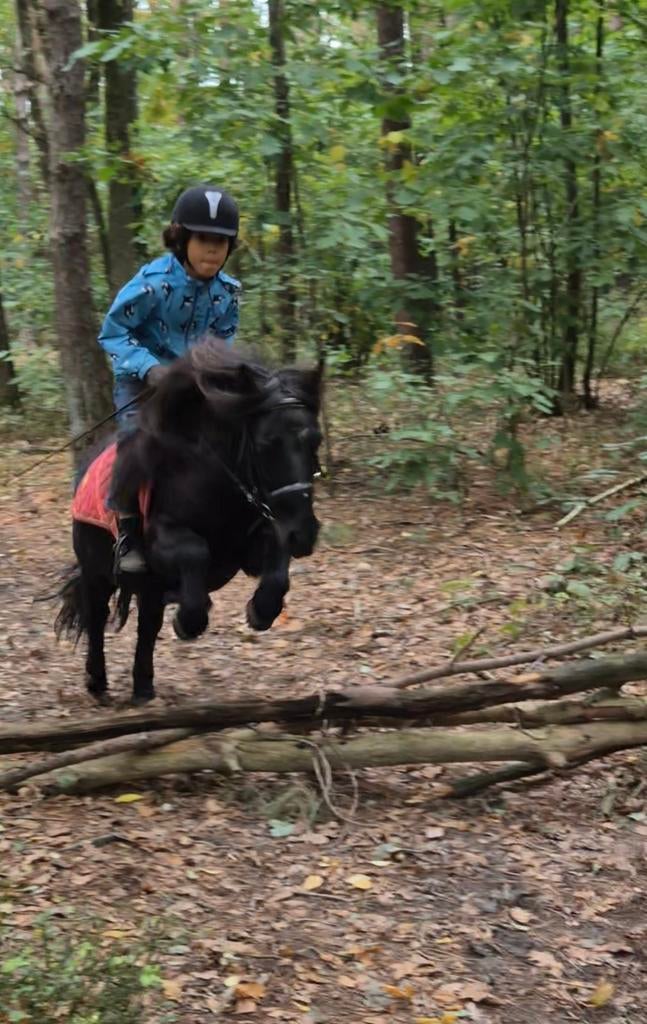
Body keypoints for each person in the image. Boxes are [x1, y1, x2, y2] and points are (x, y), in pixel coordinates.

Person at [99, 184, 241, 573]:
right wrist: (151, 368)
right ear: (181, 239)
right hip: (141, 382)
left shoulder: (228, 294)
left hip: (195, 384)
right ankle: (127, 531)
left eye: (222, 242)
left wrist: (218, 370)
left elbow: (224, 337)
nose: (213, 250)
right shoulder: (151, 283)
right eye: (204, 240)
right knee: (133, 441)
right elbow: (112, 333)